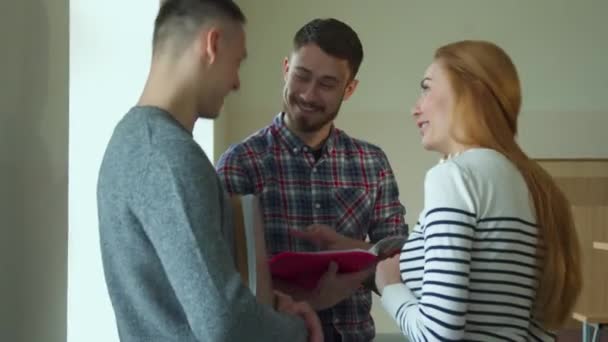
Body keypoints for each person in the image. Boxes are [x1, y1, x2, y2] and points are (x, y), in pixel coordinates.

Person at [97, 1, 322, 341]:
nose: (236, 83)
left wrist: (270, 307)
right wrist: (299, 331)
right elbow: (224, 324)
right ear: (212, 45)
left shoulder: (129, 140)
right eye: (238, 63)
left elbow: (176, 293)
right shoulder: (167, 156)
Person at [375, 40, 582, 341]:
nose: (414, 108)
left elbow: (438, 335)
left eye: (426, 87)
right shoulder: (539, 186)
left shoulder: (454, 176)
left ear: (468, 91)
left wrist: (390, 288)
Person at [216, 18, 408, 342]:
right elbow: (225, 280)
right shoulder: (240, 164)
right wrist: (313, 296)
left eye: (327, 84)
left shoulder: (372, 163)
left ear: (350, 89)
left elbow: (399, 260)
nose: (307, 94)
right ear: (286, 68)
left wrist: (353, 254)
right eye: (301, 76)